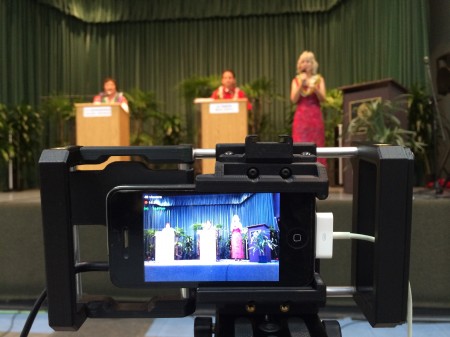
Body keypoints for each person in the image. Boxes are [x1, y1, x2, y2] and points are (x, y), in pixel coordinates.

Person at [290, 51, 327, 166]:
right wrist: (302, 84)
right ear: (299, 66)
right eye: (303, 62)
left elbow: (323, 98)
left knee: (316, 144)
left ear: (313, 65)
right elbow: (293, 99)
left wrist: (315, 88)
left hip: (315, 116)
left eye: (308, 62)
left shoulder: (319, 80)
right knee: (300, 144)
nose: (305, 64)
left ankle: (318, 173)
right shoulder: (296, 81)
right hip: (301, 118)